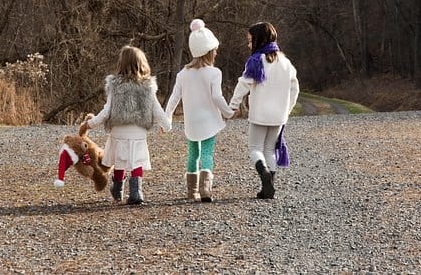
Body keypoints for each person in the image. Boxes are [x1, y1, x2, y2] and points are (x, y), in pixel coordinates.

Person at [81, 45, 170, 205]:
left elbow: (106, 112)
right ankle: (136, 192)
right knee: (136, 161)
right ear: (142, 64)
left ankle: (118, 189)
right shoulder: (148, 87)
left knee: (119, 160)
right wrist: (166, 125)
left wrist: (90, 124)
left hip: (118, 132)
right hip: (138, 133)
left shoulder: (115, 87)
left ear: (121, 64)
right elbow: (157, 110)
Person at [165, 19, 235, 202]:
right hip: (209, 122)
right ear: (209, 51)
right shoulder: (214, 73)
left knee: (193, 154)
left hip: (191, 123)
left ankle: (191, 191)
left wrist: (167, 118)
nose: (216, 52)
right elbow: (217, 97)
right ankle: (205, 189)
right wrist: (228, 112)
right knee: (206, 153)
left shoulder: (183, 74)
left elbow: (174, 98)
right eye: (214, 50)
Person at [229, 22, 299, 199]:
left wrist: (233, 105)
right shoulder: (286, 62)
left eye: (250, 41)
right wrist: (287, 109)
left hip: (259, 114)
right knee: (269, 149)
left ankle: (264, 174)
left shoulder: (255, 61)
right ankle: (269, 187)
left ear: (259, 40)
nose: (248, 45)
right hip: (279, 116)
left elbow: (243, 84)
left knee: (254, 148)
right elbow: (295, 88)